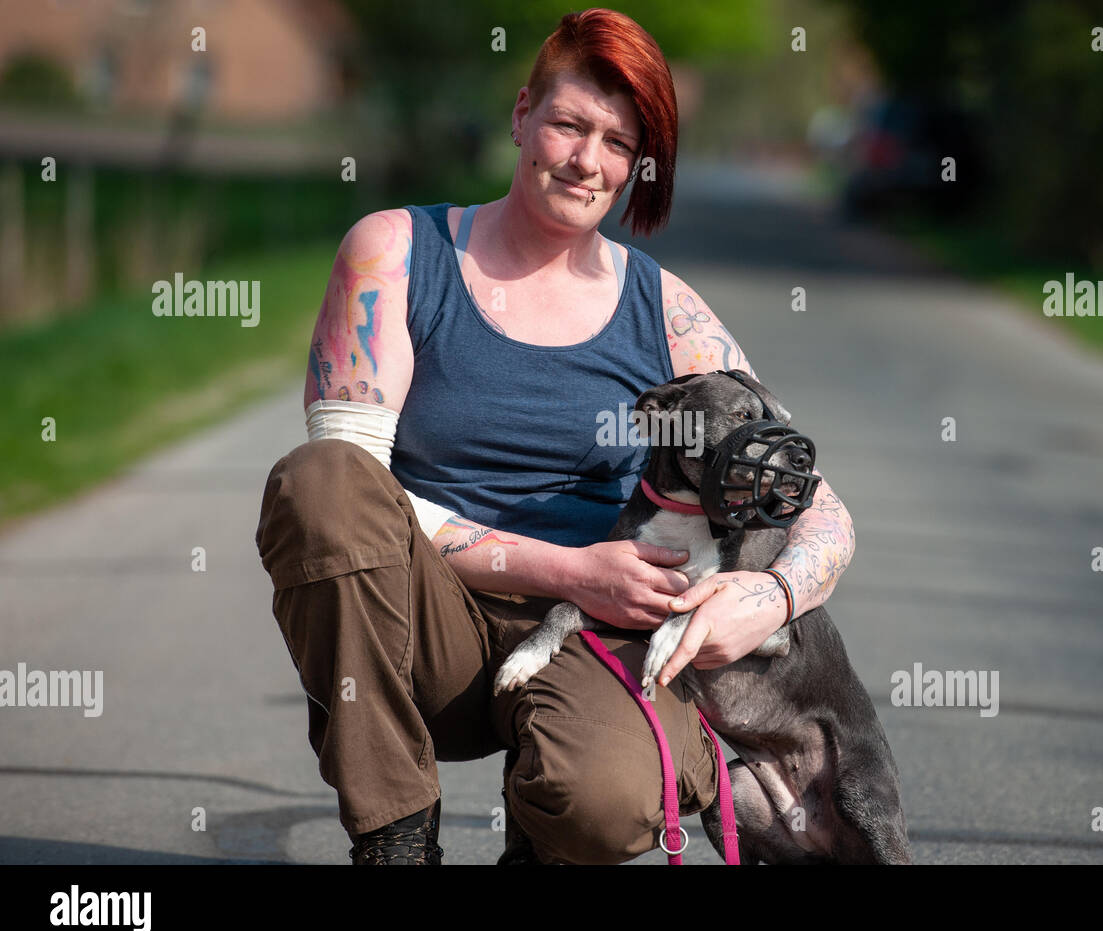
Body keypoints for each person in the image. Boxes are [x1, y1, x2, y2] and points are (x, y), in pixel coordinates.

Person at [254, 7, 856, 865]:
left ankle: (545, 837)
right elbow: (350, 491)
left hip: (597, 641)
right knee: (319, 481)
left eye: (617, 141)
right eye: (569, 123)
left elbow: (822, 513)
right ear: (522, 115)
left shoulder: (667, 313)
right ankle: (396, 840)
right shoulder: (395, 252)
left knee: (603, 802)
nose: (587, 160)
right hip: (426, 629)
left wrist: (768, 598)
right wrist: (566, 567)